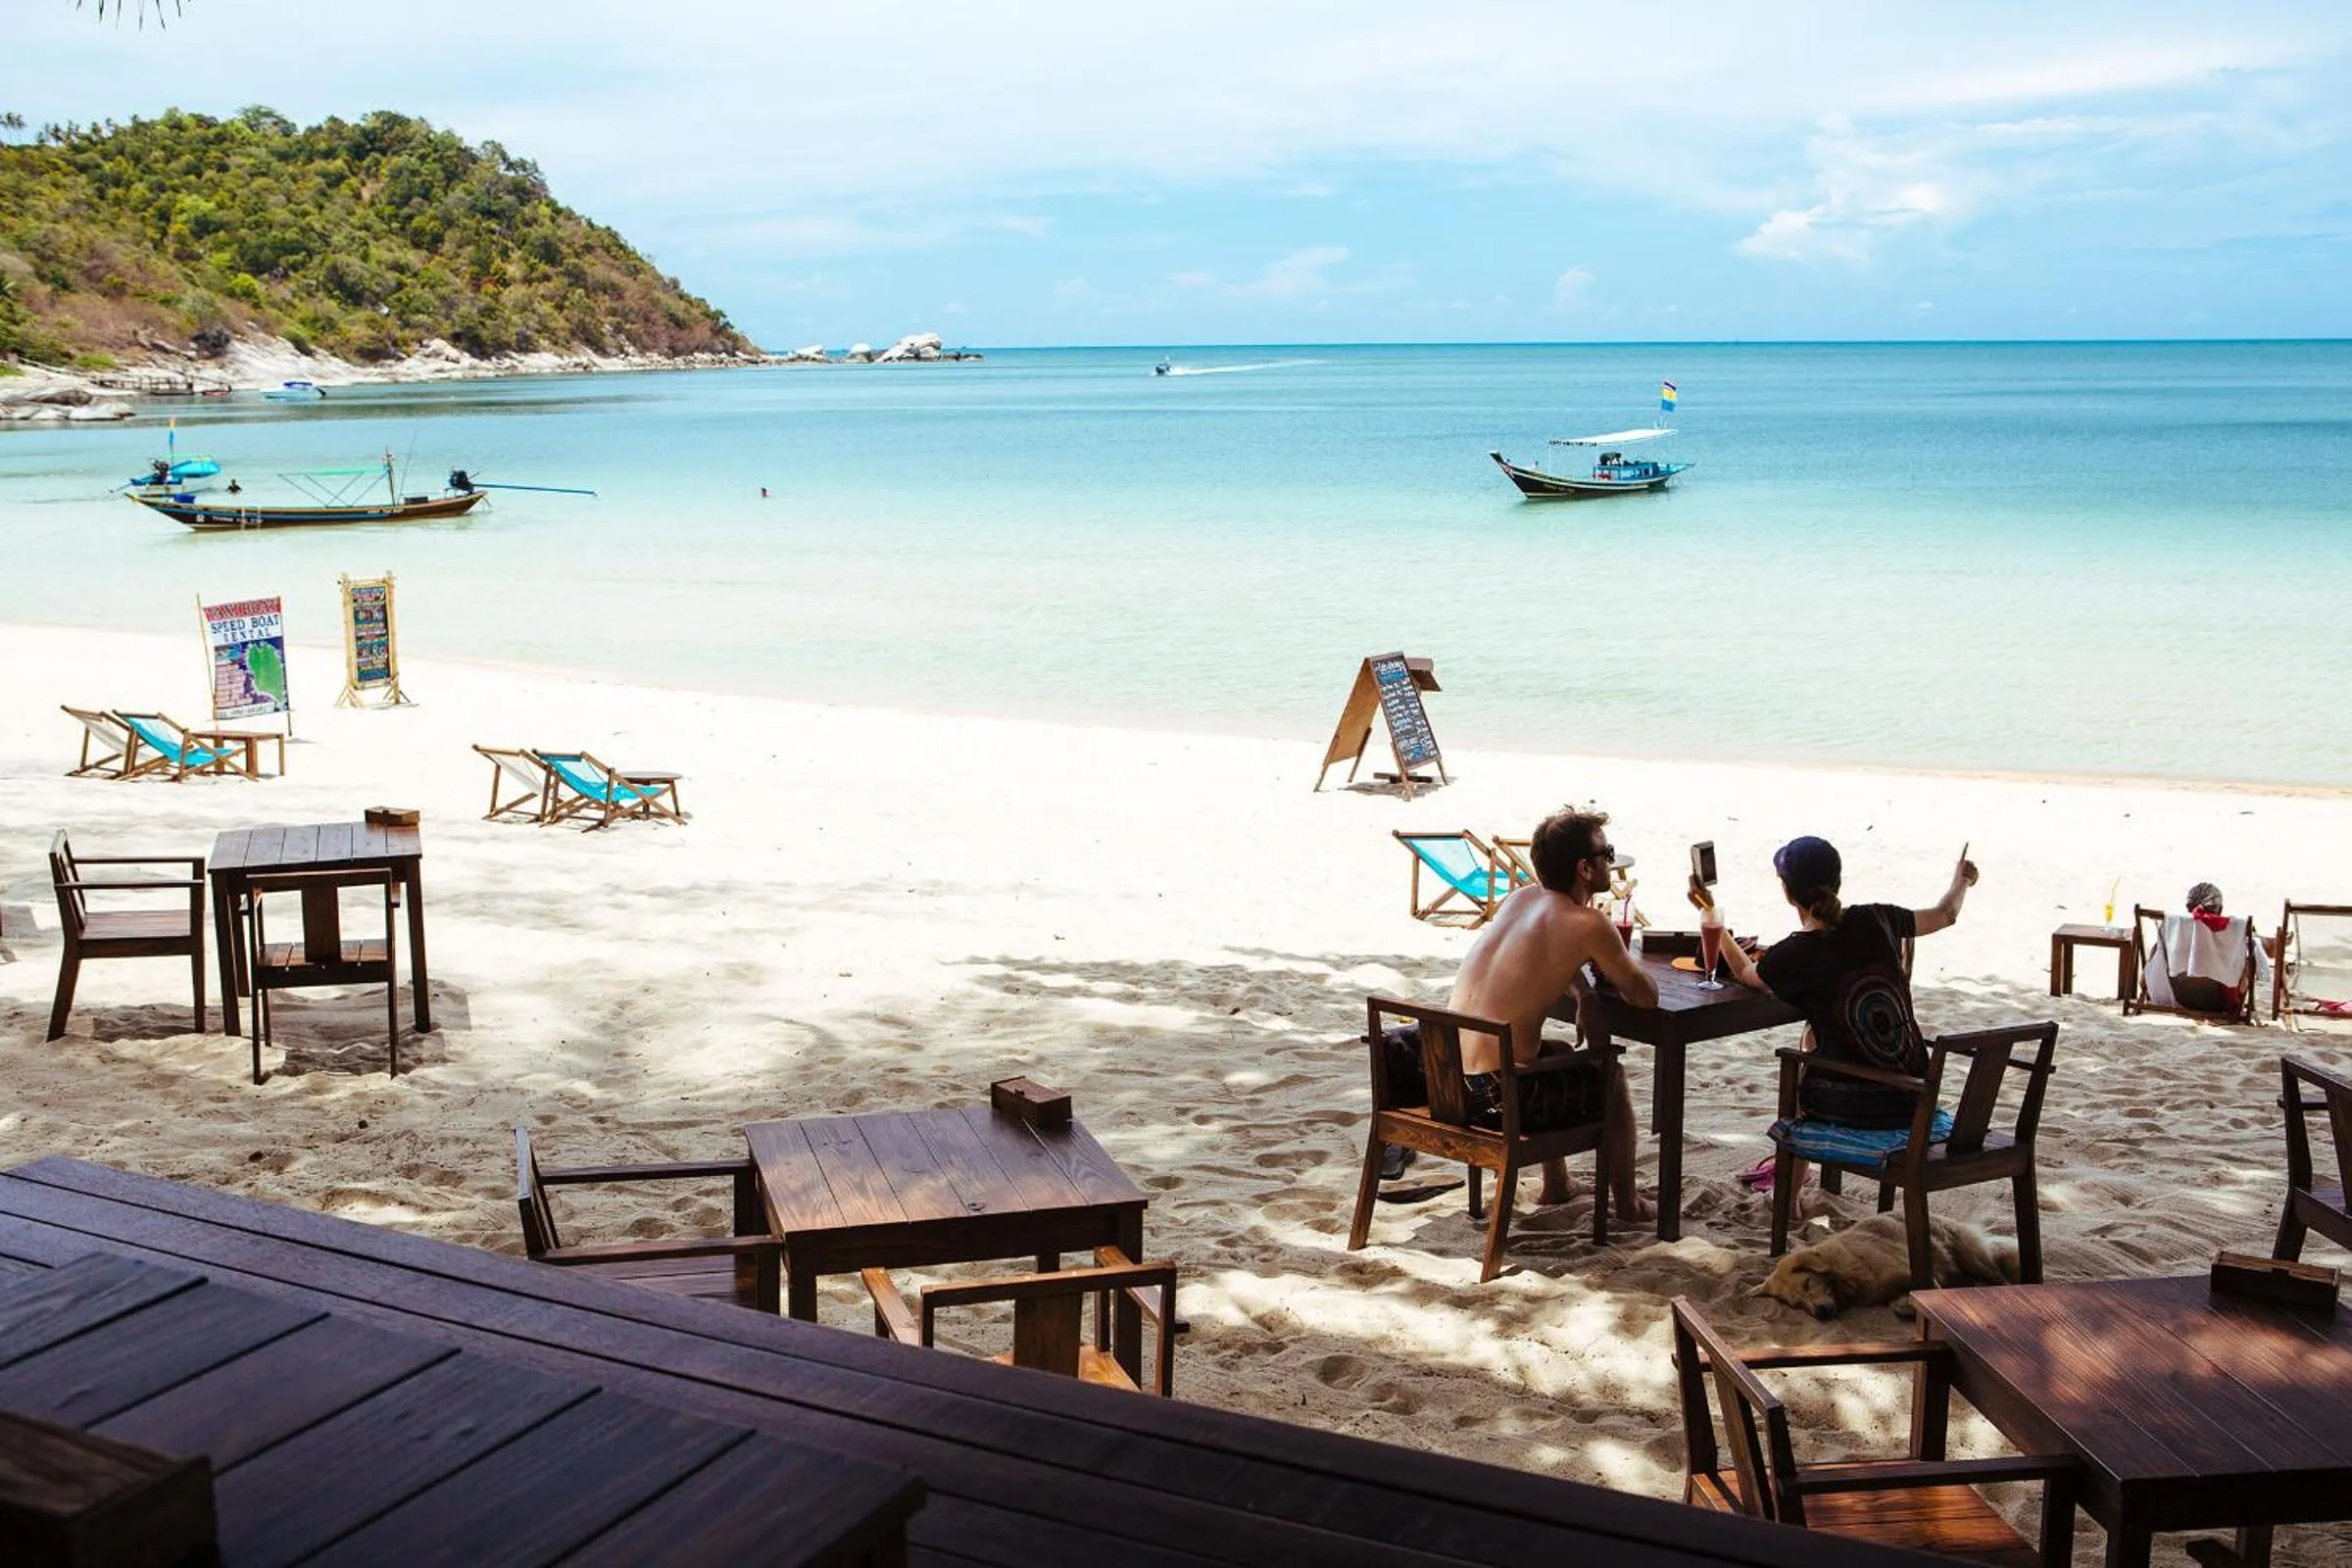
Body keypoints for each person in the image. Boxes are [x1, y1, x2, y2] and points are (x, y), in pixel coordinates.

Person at [1379, 807, 1657, 1220]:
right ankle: (1629, 1205)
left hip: (1444, 1080)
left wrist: (1581, 992)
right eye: (1607, 853)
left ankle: (1557, 1185)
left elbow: (1542, 957)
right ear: (1584, 869)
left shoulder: (1519, 898)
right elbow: (1644, 995)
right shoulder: (1589, 922)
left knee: (1556, 1049)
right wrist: (1598, 986)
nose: (1611, 862)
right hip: (1495, 1101)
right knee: (1610, 1075)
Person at [1717, 837, 1978, 1191]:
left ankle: (1790, 1198)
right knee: (1815, 1037)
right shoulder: (1877, 918)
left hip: (1858, 1110)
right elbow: (1945, 914)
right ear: (1838, 881)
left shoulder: (1792, 954)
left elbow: (1748, 975)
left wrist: (1714, 927)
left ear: (1788, 892)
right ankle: (1794, 1186)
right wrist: (1962, 879)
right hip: (1914, 1099)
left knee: (1801, 1064)